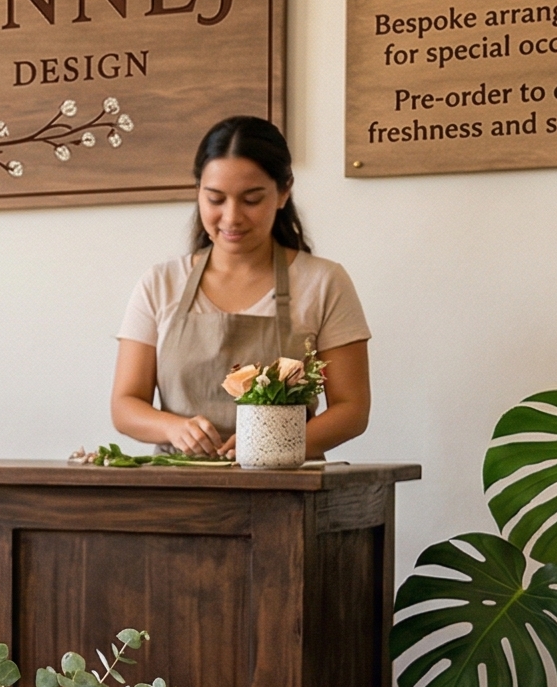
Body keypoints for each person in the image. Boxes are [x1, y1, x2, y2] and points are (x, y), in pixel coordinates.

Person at [110, 116, 370, 458]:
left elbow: (352, 409)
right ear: (198, 192)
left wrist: (269, 445)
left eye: (251, 200)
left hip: (284, 481)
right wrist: (173, 428)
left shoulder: (324, 282)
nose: (232, 217)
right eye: (215, 199)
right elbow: (125, 404)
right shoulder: (160, 283)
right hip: (177, 482)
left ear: (284, 192)